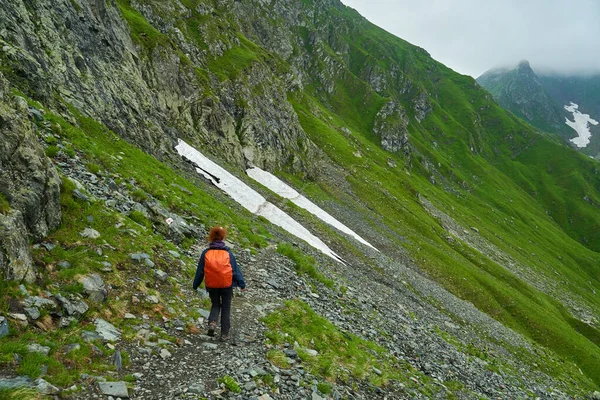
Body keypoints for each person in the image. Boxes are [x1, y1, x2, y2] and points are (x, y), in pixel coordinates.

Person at [193, 226, 246, 341]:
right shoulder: (228, 253)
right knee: (226, 307)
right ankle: (224, 334)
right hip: (226, 285)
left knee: (215, 304)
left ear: (211, 238)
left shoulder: (206, 253)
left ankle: (212, 323)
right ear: (222, 238)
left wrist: (196, 284)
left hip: (212, 284)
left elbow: (200, 271)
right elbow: (235, 270)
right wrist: (242, 284)